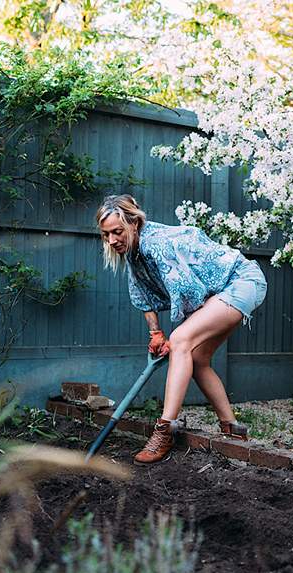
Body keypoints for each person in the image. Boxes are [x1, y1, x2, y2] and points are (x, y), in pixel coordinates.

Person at [96, 194, 267, 465]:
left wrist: (174, 341)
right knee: (197, 359)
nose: (112, 240)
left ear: (134, 224)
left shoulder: (158, 245)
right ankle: (232, 429)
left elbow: (189, 292)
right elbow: (141, 295)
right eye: (106, 235)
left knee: (182, 340)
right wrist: (155, 334)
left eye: (117, 232)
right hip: (221, 289)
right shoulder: (133, 252)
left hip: (242, 281)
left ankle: (165, 429)